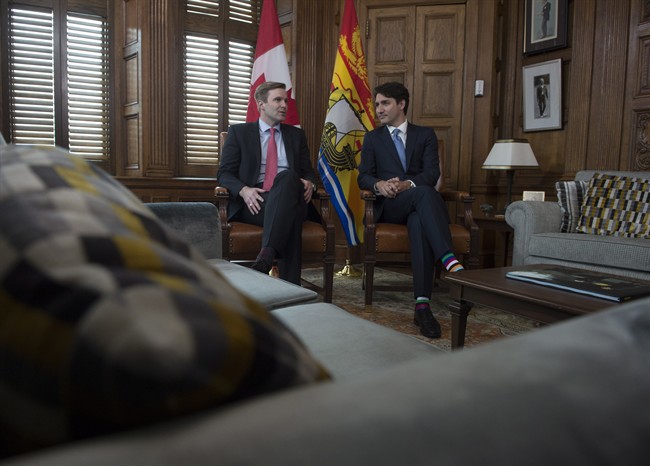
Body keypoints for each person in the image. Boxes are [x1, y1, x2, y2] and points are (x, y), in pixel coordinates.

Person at [357, 81, 464, 339]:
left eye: (385, 103)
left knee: (419, 218)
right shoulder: (372, 138)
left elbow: (431, 173)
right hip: (391, 206)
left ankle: (422, 306)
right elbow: (363, 177)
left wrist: (407, 184)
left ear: (401, 104)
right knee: (424, 194)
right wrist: (380, 184)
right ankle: (447, 257)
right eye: (377, 104)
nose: (378, 109)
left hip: (418, 203)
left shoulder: (424, 135)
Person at [217, 81, 318, 285]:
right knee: (290, 216)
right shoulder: (239, 133)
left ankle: (265, 257)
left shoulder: (296, 135)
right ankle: (291, 288)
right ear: (261, 105)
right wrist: (244, 190)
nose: (284, 105)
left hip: (291, 193)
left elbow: (308, 171)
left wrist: (310, 182)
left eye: (286, 101)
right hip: (255, 202)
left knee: (288, 177)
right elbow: (224, 173)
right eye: (278, 100)